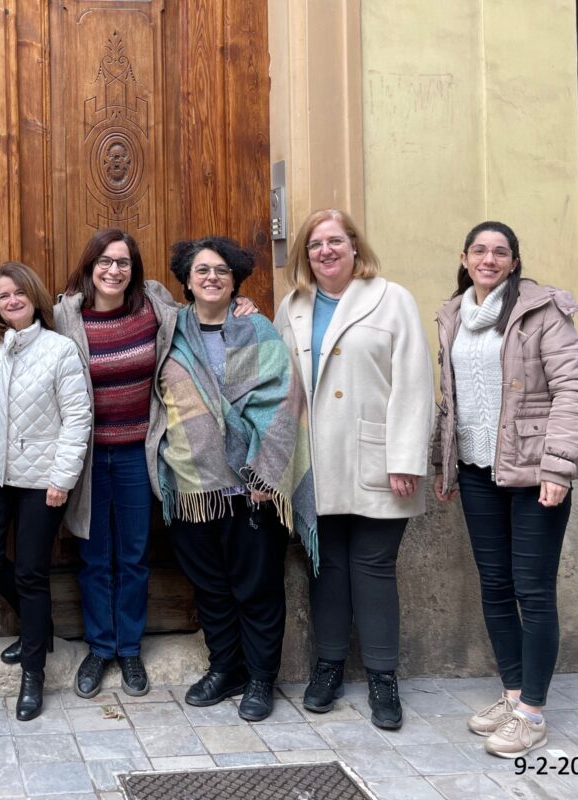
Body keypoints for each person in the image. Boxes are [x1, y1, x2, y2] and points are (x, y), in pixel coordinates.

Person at [53, 229, 253, 699]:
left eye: (123, 262)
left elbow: (207, 312)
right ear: (89, 265)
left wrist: (244, 306)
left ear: (134, 269)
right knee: (94, 554)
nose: (114, 270)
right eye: (104, 261)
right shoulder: (66, 316)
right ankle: (100, 648)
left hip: (138, 453)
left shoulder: (156, 308)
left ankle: (129, 649)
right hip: (86, 457)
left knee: (134, 555)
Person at [433, 221, 578, 758]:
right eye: (479, 249)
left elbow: (571, 389)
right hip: (477, 471)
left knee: (533, 589)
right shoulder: (452, 315)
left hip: (533, 472)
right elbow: (451, 399)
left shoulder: (543, 311)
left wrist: (557, 468)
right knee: (495, 586)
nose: (489, 258)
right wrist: (444, 464)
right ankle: (514, 691)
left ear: (514, 261)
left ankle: (533, 713)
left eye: (501, 252)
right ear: (465, 256)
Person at [275, 209, 434, 730]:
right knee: (326, 569)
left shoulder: (392, 299)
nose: (326, 251)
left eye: (336, 241)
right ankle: (328, 667)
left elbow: (413, 382)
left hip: (377, 460)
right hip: (316, 463)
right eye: (316, 244)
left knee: (373, 568)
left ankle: (384, 679)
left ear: (354, 247)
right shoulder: (292, 306)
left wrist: (406, 459)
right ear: (305, 254)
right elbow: (280, 386)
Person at [156, 236, 318, 722]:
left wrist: (265, 474)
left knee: (258, 588)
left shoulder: (258, 329)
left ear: (236, 281)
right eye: (201, 270)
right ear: (185, 280)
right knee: (210, 588)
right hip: (190, 484)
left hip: (251, 486)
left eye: (222, 271)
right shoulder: (168, 329)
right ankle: (226, 668)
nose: (211, 278)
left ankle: (262, 679)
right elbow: (120, 284)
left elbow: (284, 402)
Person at [0, 262, 92, 721]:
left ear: (34, 296)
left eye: (19, 292)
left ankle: (33, 674)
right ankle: (40, 628)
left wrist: (62, 478)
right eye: (4, 296)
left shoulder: (60, 350)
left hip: (43, 480)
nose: (13, 301)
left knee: (32, 575)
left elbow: (78, 418)